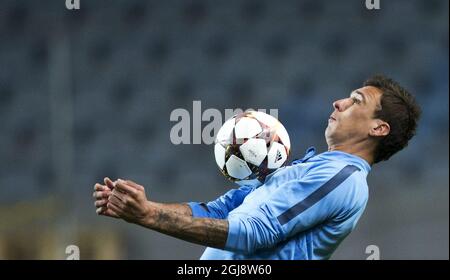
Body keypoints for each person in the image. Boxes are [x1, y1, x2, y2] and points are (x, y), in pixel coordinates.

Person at [93, 75, 421, 259]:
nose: (339, 103)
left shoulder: (344, 179)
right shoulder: (310, 168)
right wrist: (142, 209)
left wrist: (149, 216)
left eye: (356, 101)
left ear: (378, 128)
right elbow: (216, 211)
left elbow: (252, 234)